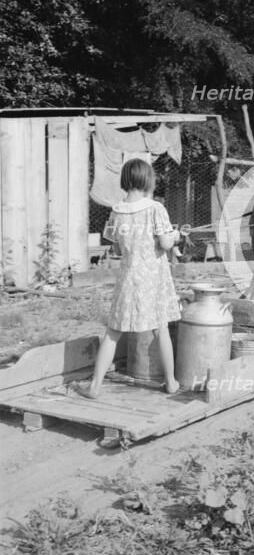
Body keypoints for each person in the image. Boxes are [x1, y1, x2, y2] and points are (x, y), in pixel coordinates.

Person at [78, 159, 181, 398]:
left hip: (128, 277)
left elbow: (115, 250)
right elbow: (165, 243)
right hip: (153, 278)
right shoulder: (156, 208)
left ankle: (94, 386)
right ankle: (171, 382)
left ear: (125, 181)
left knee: (113, 331)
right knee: (161, 329)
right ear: (147, 180)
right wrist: (174, 236)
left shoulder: (116, 211)